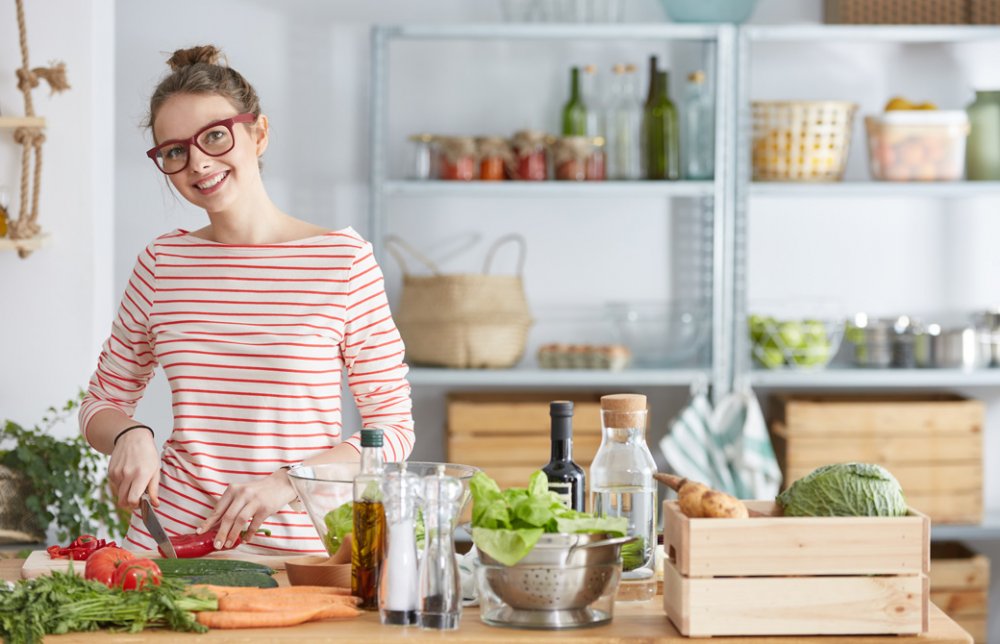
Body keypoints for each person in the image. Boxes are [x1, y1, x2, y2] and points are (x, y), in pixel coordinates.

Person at [79, 45, 414, 556]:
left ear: (258, 134)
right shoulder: (161, 263)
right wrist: (130, 434)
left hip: (299, 555)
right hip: (169, 547)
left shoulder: (343, 261)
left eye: (215, 135)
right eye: (175, 151)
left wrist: (290, 480)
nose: (198, 162)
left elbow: (392, 429)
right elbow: (100, 402)